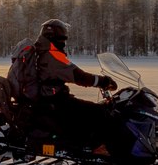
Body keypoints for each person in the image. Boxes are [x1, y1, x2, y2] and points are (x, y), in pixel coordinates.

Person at [7, 18, 116, 152]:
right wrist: (103, 81)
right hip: (54, 101)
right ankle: (95, 148)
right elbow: (78, 76)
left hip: (46, 100)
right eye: (63, 38)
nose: (64, 42)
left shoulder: (40, 50)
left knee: (87, 110)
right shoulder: (52, 55)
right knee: (98, 112)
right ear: (57, 37)